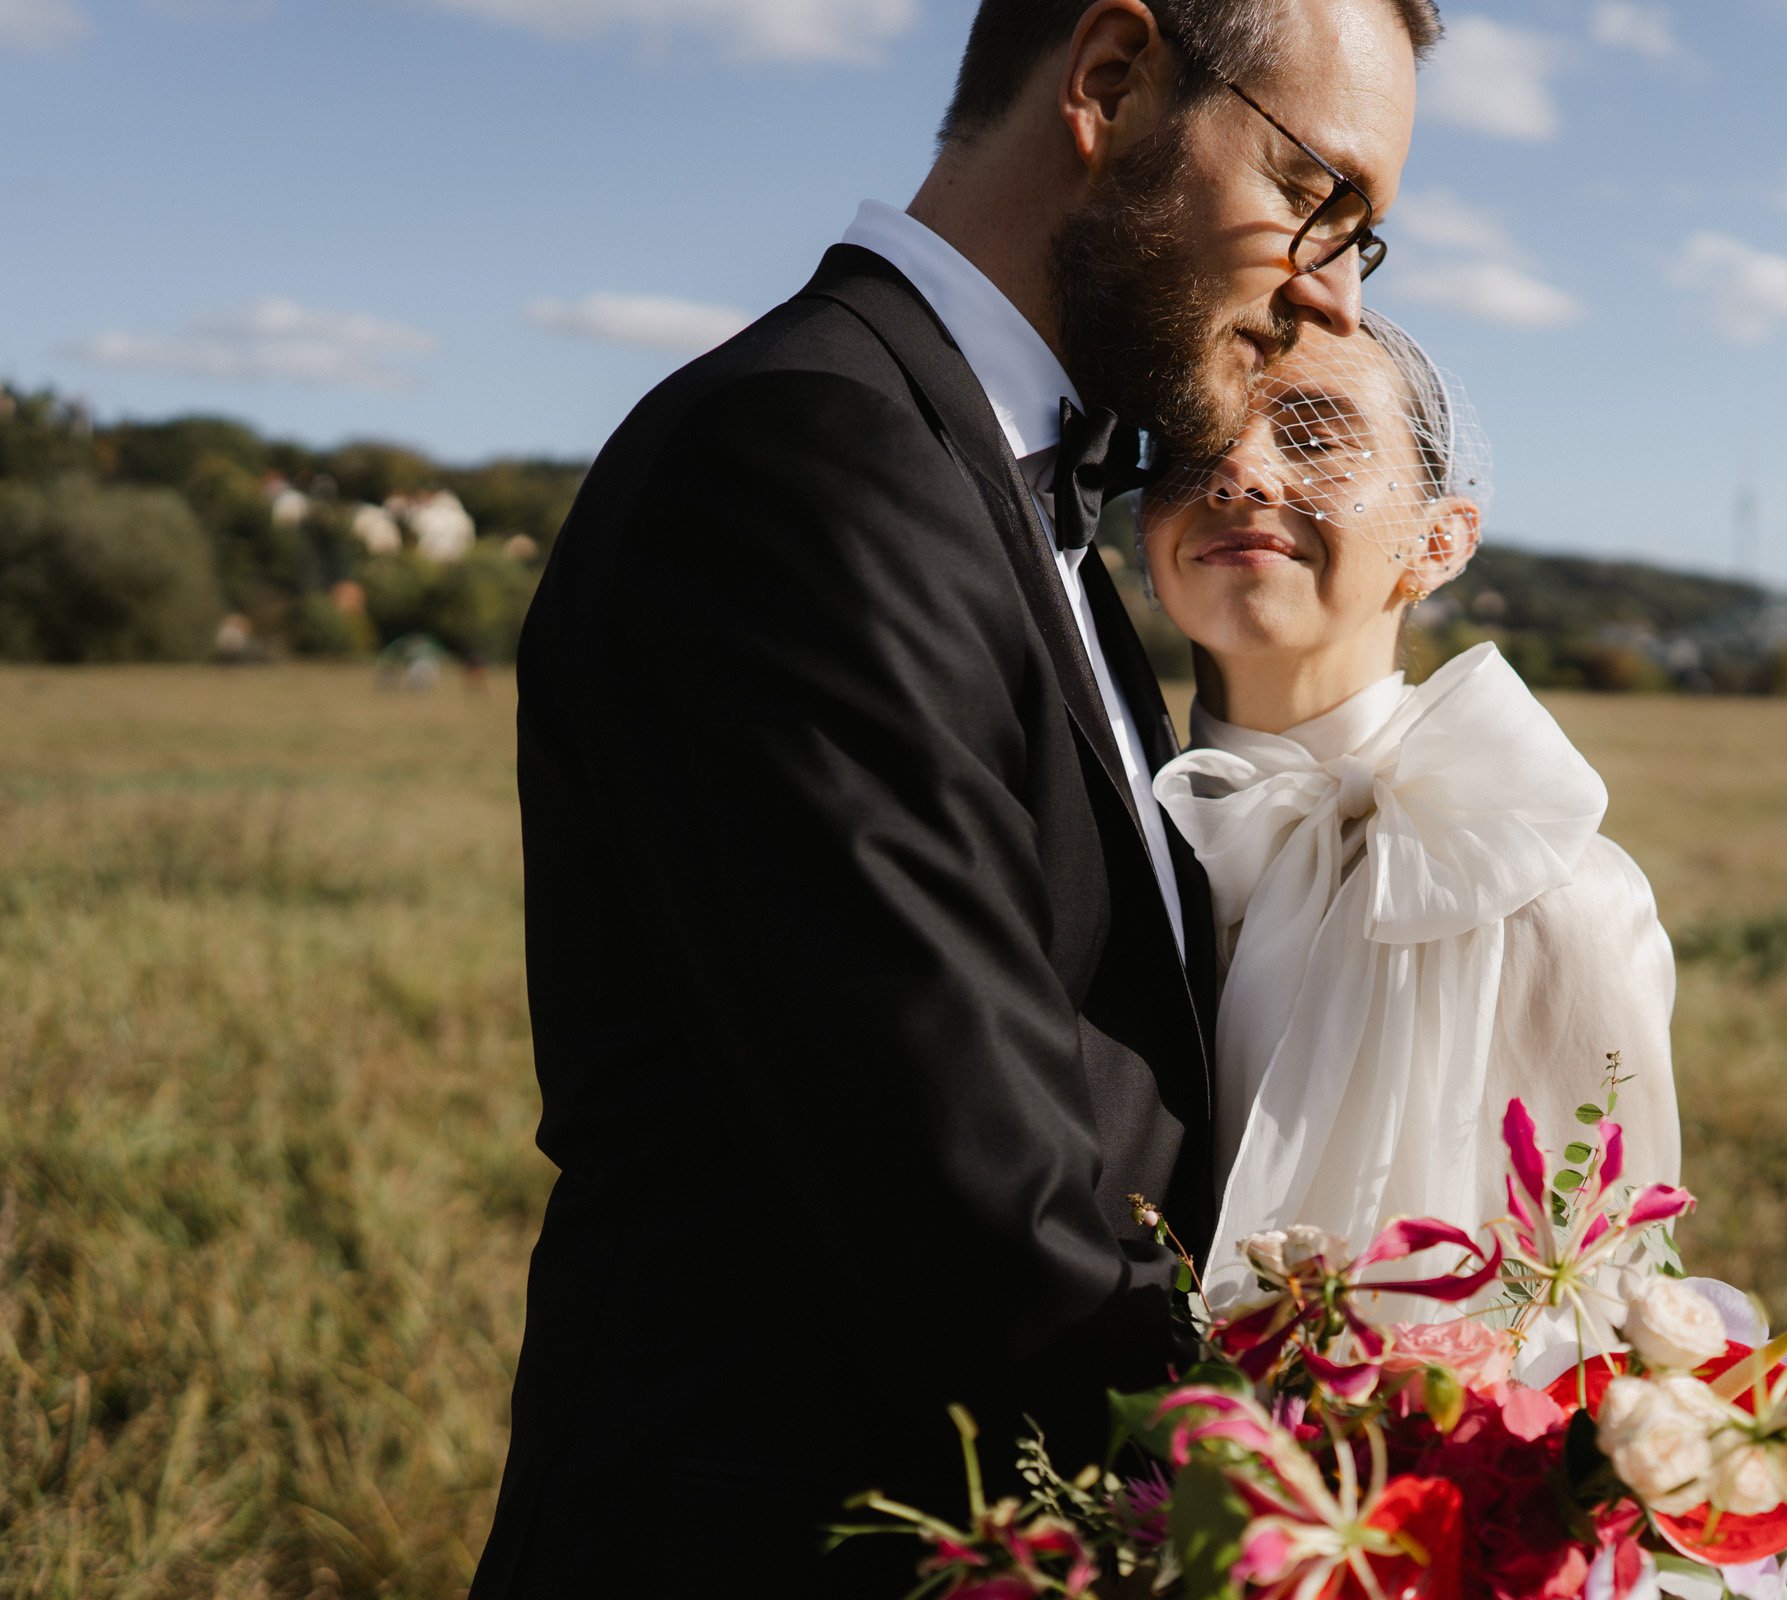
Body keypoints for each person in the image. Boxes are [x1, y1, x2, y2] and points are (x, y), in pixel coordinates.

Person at [469, 1, 1437, 1595]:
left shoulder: (997, 486)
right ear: (1111, 83)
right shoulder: (808, 457)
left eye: (1362, 239)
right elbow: (968, 1187)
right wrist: (1331, 1535)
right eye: (1318, 196)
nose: (1327, 287)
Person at [1143, 312, 1680, 1339]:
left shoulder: (1554, 898)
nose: (1240, 469)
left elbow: (1600, 1316)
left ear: (1441, 541)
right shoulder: (1098, 838)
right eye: (1193, 436)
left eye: (1314, 431)